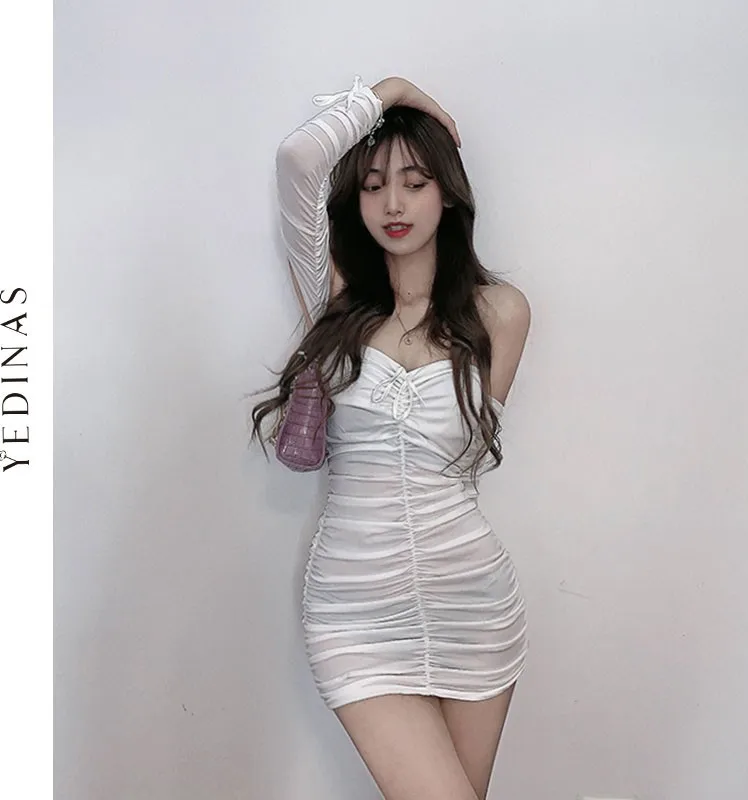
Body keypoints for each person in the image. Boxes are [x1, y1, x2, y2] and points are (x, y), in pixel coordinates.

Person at [251, 74, 532, 800]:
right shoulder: (336, 300)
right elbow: (296, 161)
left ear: (449, 194)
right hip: (355, 612)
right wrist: (395, 91)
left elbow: (462, 466)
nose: (394, 205)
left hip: (471, 601)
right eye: (374, 186)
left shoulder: (501, 312)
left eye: (415, 182)